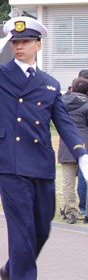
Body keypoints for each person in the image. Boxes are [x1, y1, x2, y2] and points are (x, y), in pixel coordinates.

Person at [0, 16, 88, 280]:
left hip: (40, 162)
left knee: (42, 229)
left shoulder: (50, 84)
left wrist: (82, 154)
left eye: (25, 42)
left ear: (38, 46)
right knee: (22, 229)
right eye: (15, 42)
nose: (19, 47)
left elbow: (64, 123)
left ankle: (11, 271)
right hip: (10, 161)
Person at [57, 77, 88, 223]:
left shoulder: (62, 102)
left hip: (67, 144)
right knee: (86, 178)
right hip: (85, 145)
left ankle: (71, 212)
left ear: (72, 88)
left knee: (68, 181)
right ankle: (86, 210)